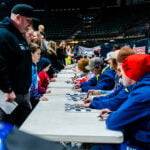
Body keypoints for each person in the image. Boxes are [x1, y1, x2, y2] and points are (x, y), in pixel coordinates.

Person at [0, 4, 36, 126]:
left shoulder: (18, 35)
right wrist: (7, 89)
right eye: (28, 21)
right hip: (10, 96)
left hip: (23, 93)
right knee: (7, 133)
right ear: (18, 17)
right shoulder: (3, 34)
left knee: (25, 130)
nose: (29, 25)